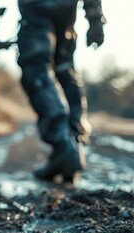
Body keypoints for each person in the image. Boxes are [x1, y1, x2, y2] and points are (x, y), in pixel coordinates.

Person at [16, 0, 106, 182]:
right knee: (64, 68)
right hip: (66, 7)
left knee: (36, 68)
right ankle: (72, 147)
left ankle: (63, 144)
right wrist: (95, 17)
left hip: (36, 5)